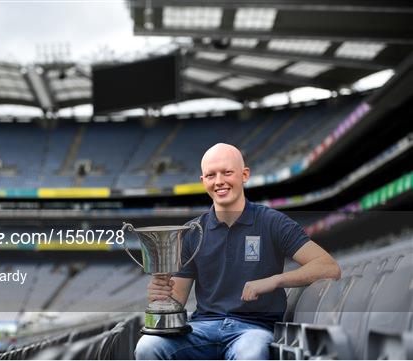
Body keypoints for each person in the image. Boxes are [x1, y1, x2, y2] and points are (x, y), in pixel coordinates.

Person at [135, 143, 341, 360]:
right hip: (203, 328)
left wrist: (274, 280)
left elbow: (329, 267)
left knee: (251, 354)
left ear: (244, 175)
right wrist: (161, 295)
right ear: (203, 181)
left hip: (252, 329)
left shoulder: (272, 222)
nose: (219, 181)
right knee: (148, 347)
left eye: (227, 172)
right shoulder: (192, 232)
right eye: (211, 175)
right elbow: (177, 297)